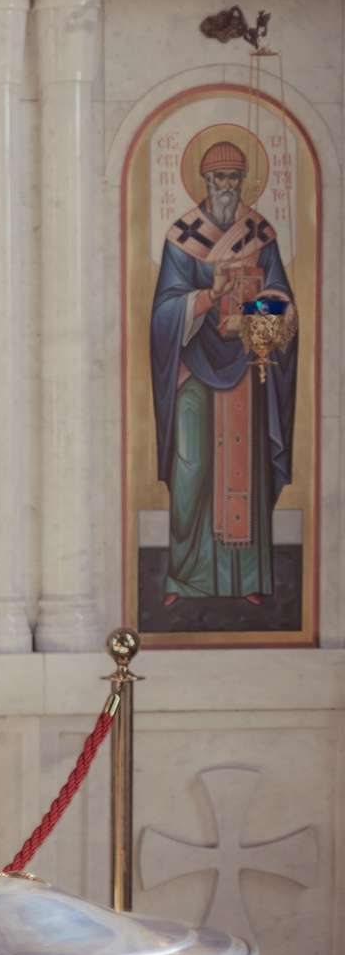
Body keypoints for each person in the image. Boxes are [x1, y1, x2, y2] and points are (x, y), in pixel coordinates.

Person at [149, 138, 298, 609]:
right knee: (192, 469)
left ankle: (246, 578)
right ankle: (184, 577)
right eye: (220, 178)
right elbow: (164, 311)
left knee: (245, 469)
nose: (228, 186)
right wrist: (210, 297)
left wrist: (248, 317)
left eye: (235, 177)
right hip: (194, 366)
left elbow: (284, 303)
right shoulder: (182, 237)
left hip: (245, 365)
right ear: (205, 181)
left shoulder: (261, 234)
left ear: (244, 180)